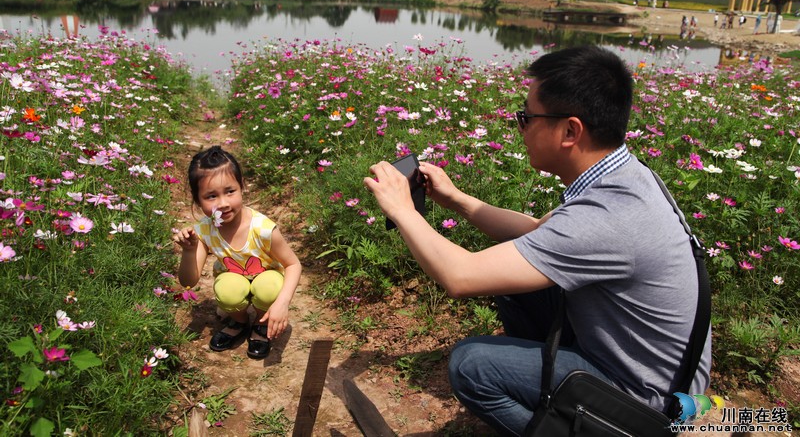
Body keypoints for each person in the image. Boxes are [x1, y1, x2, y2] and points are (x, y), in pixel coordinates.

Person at [364, 46, 711, 436]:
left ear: (570, 131)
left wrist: (402, 209)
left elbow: (460, 277)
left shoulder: (608, 216)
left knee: (471, 366)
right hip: (651, 369)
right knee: (511, 281)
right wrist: (457, 199)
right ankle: (555, 398)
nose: (520, 127)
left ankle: (574, 427)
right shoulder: (623, 176)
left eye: (526, 117)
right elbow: (535, 233)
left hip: (644, 402)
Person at [174, 146, 302, 359]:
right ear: (197, 200)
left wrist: (282, 302)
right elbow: (188, 281)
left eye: (230, 191)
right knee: (228, 290)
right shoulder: (204, 231)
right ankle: (239, 321)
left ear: (242, 186)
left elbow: (293, 264)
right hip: (234, 279)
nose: (223, 203)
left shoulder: (262, 228)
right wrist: (189, 250)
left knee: (269, 287)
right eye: (211, 196)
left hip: (267, 278)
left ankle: (262, 322)